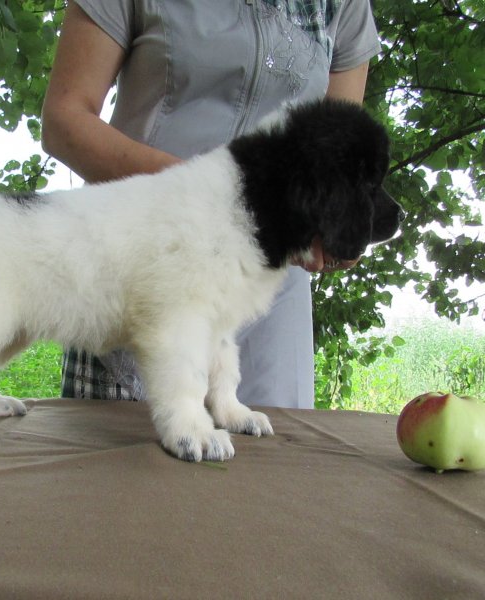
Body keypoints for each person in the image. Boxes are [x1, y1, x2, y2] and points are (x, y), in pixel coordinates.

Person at [41, 0, 381, 408]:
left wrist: (337, 226)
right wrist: (213, 198)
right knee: (130, 446)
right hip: (143, 259)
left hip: (269, 292)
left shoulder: (342, 4)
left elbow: (339, 152)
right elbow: (64, 119)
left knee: (275, 447)